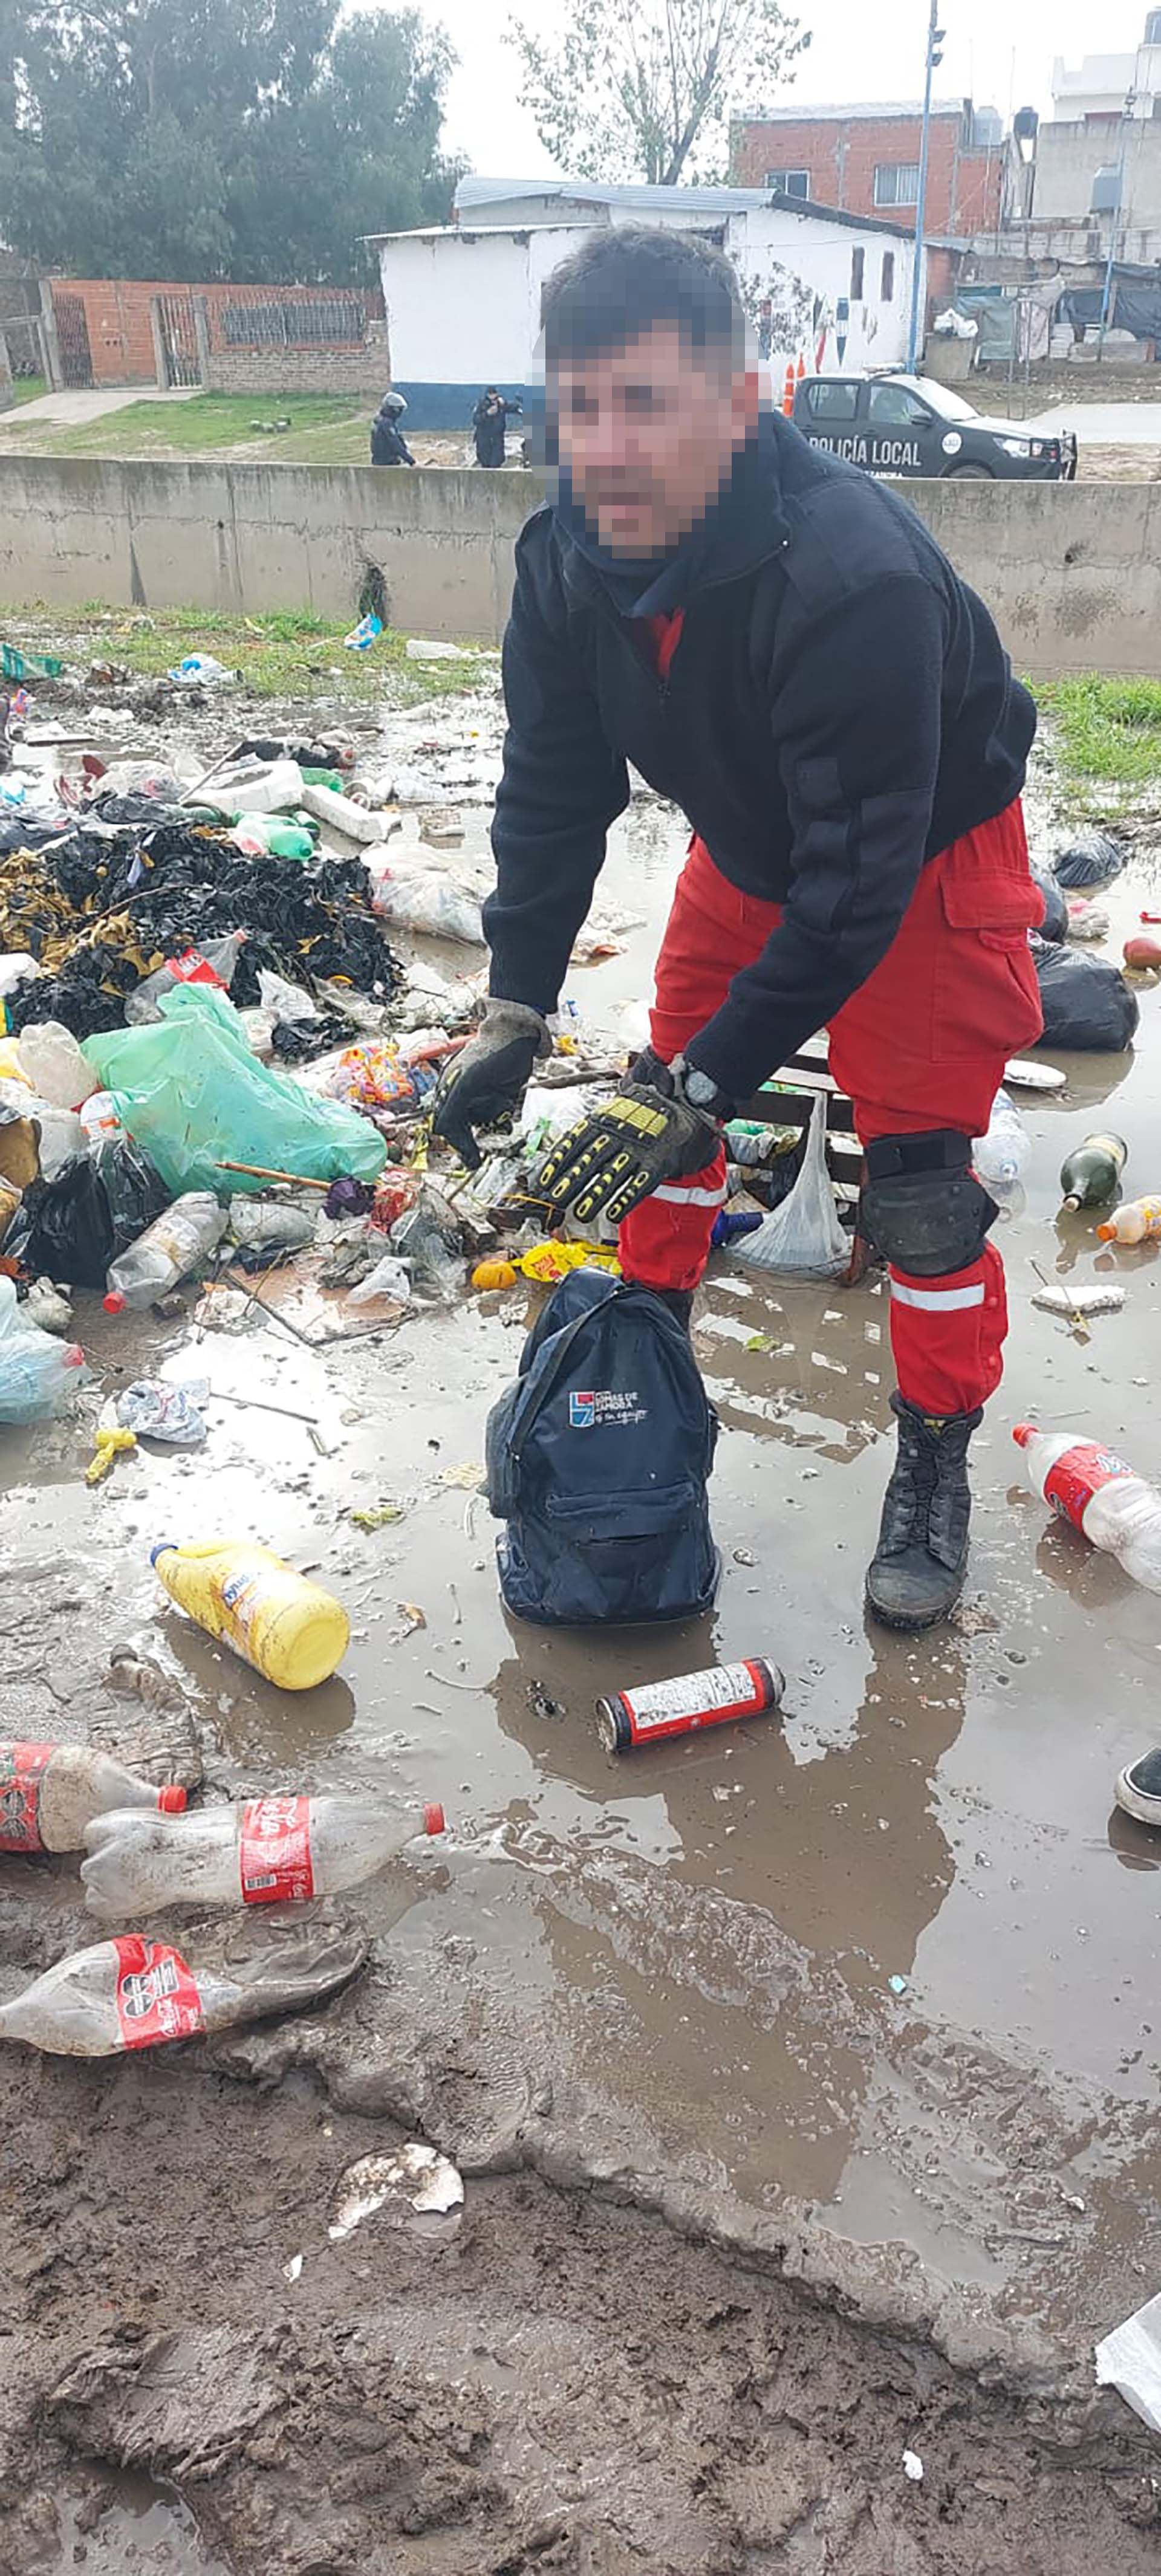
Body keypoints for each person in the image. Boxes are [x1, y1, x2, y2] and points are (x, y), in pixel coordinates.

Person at [434, 226, 1044, 1632]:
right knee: (654, 1131)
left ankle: (933, 1460)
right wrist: (515, 1009)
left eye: (645, 402)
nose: (605, 445)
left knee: (923, 1194)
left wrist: (713, 1088)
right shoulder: (563, 560)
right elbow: (551, 791)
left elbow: (850, 891)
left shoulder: (852, 577)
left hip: (918, 857)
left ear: (738, 399)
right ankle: (651, 1382)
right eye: (579, 403)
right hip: (749, 843)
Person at [472, 386, 522, 468]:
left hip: (497, 438)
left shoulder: (501, 404)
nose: (493, 399)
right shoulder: (482, 405)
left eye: (495, 396)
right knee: (485, 461)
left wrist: (506, 404)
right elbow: (476, 420)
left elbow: (512, 408)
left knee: (497, 461)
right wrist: (487, 414)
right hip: (484, 439)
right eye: (491, 395)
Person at [369, 389, 414, 466]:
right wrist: (411, 461)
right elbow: (395, 443)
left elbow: (399, 440)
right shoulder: (387, 423)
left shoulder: (379, 420)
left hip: (378, 461)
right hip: (387, 463)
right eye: (398, 409)